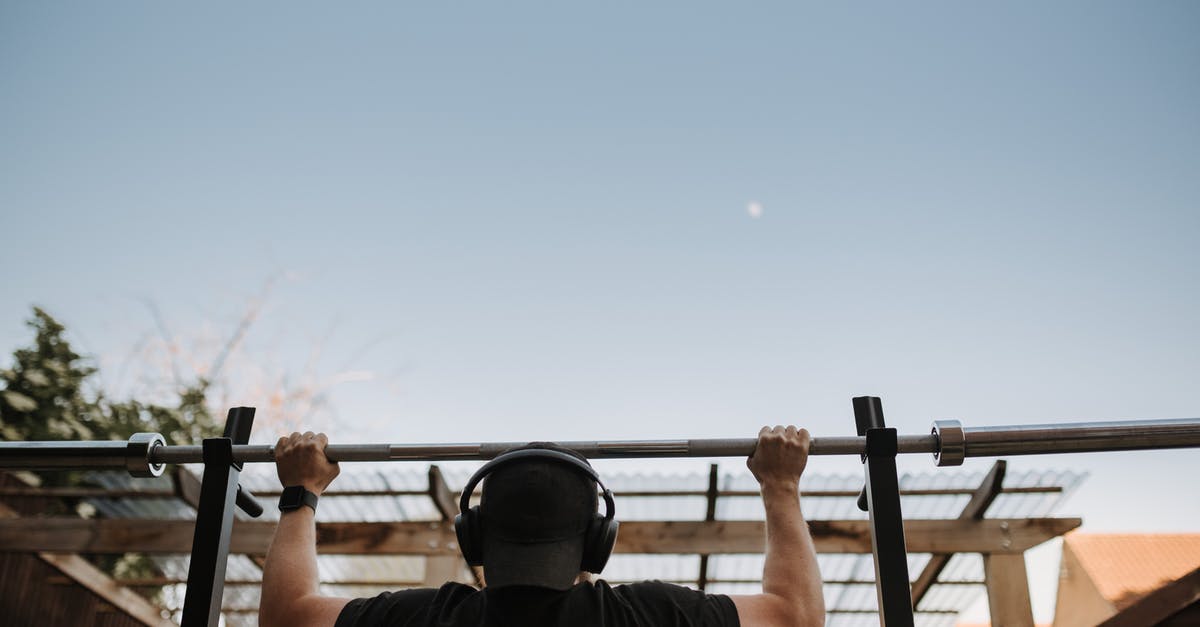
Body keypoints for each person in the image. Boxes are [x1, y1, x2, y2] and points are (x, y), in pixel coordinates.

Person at [260, 426, 824, 627]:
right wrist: (780, 486)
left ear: (472, 537)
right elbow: (795, 615)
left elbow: (287, 615)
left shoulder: (429, 618)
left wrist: (300, 493)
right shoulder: (648, 616)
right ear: (597, 543)